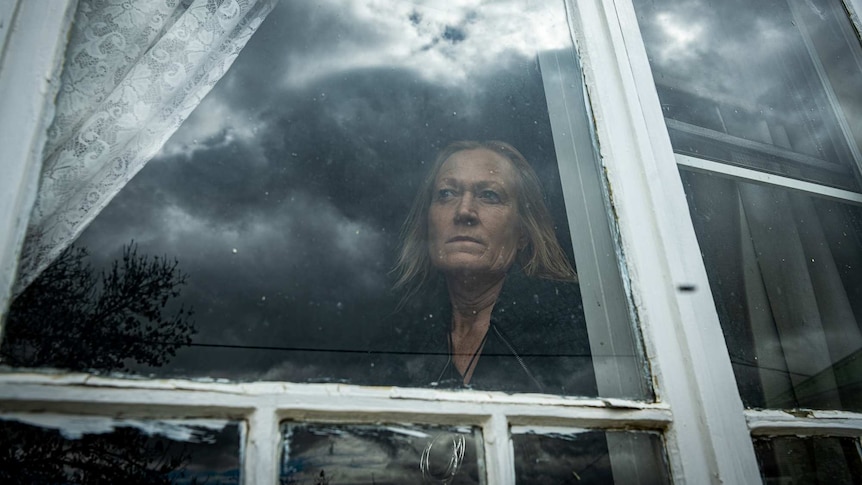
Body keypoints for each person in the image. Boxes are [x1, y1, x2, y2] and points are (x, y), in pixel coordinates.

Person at [392, 141, 596, 395]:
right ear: (428, 224)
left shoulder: (576, 326)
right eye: (446, 193)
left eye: (489, 195)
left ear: (522, 232)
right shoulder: (399, 332)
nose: (464, 211)